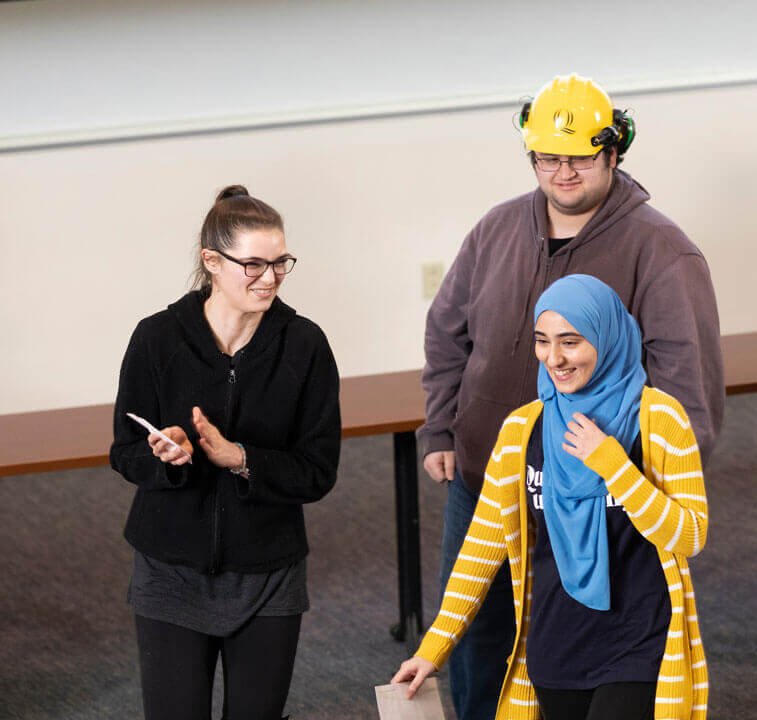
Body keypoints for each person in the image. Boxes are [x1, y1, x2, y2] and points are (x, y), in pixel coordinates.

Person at [417, 73, 723, 720]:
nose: (563, 171)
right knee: (481, 638)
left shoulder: (662, 250)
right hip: (493, 473)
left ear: (613, 152)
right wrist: (440, 430)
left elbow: (686, 386)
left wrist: (647, 480)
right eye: (548, 156)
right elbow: (447, 330)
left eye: (580, 155)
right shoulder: (496, 229)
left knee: (590, 655)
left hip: (604, 501)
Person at [394, 275, 709, 720]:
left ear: (606, 337)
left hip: (639, 638)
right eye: (543, 342)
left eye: (571, 341)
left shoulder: (660, 420)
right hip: (557, 640)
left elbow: (689, 536)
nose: (554, 358)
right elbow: (481, 548)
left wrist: (615, 467)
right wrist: (433, 648)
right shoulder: (524, 429)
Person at [109, 185, 341, 720]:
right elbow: (124, 453)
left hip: (268, 575)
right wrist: (168, 457)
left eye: (281, 263)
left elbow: (318, 471)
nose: (270, 279)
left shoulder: (305, 345)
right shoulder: (157, 339)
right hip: (170, 571)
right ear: (211, 261)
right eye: (253, 265)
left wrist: (239, 457)